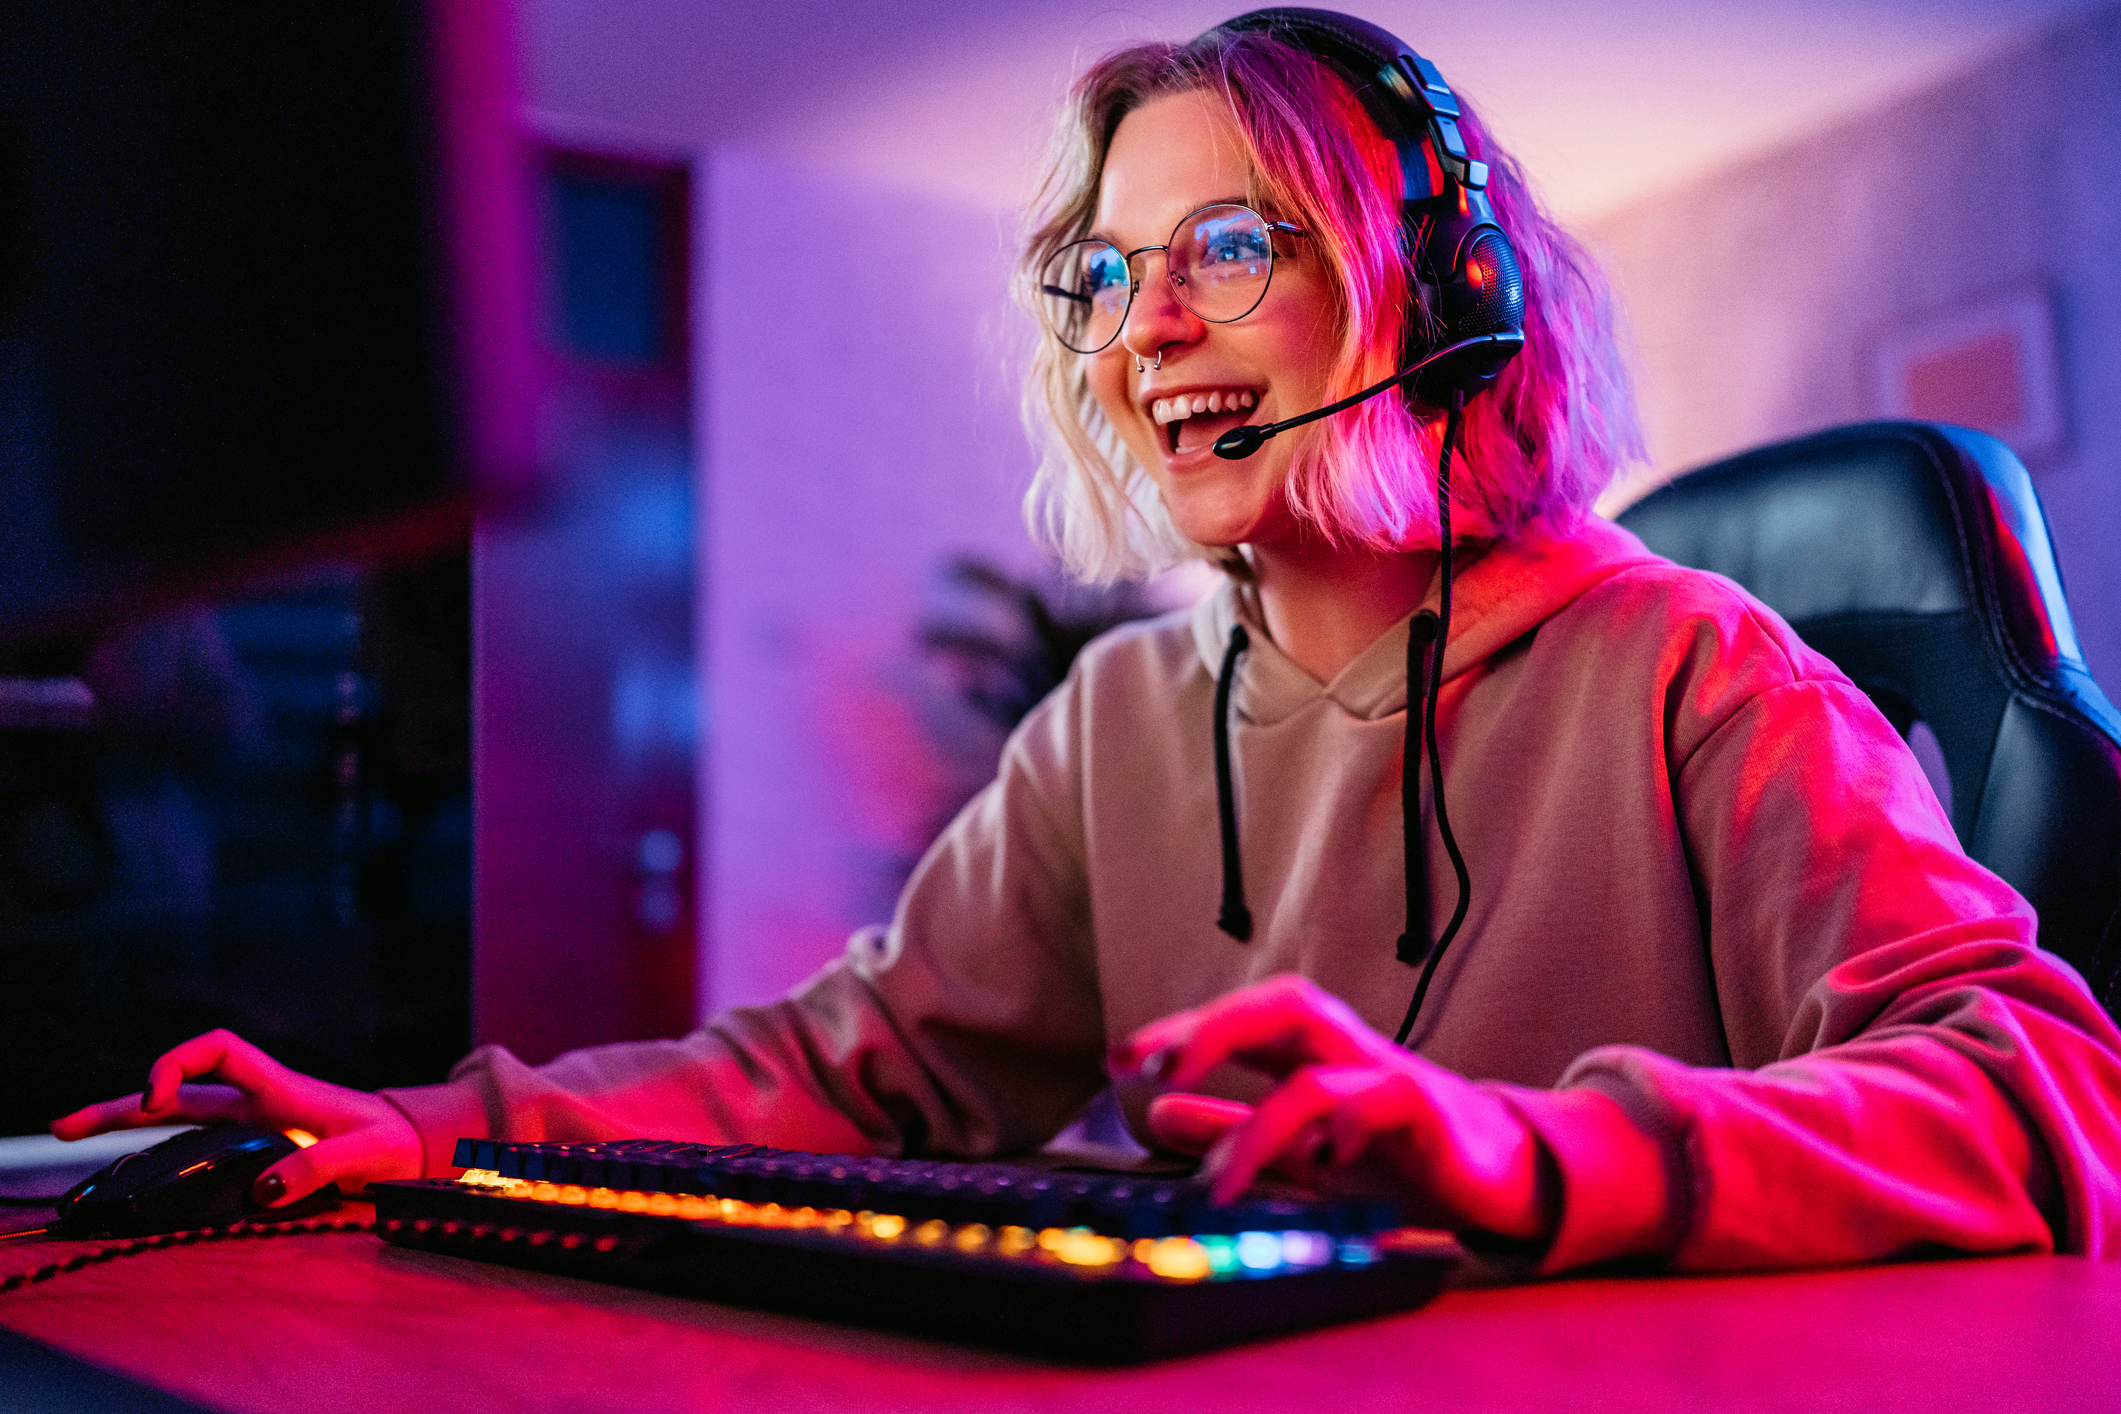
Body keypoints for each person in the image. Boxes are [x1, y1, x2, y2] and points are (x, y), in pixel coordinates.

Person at [55, 13, 2121, 1272]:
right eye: (1113, 270)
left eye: (1232, 246)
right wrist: (437, 1119)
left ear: (1446, 297)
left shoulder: (1687, 665)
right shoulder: (1118, 715)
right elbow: (840, 1074)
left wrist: (1511, 1143)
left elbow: (2050, 1088)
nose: (1144, 328)